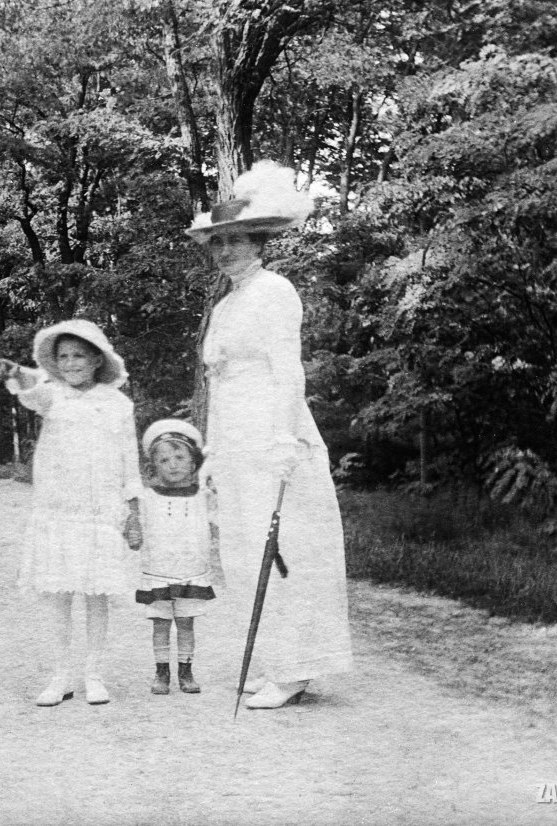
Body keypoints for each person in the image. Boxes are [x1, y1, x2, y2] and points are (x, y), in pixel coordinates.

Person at [186, 160, 353, 710]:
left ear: (258, 241)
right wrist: (211, 450)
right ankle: (272, 661)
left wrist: (285, 440)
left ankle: (296, 668)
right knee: (241, 549)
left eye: (235, 240)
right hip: (234, 436)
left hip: (272, 431)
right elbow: (218, 383)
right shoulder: (226, 304)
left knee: (286, 550)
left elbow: (288, 370)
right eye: (217, 243)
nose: (226, 251)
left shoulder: (275, 291)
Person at [0, 319, 142, 707]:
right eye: (62, 357)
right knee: (58, 593)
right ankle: (60, 674)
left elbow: (129, 458)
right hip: (58, 509)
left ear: (97, 360)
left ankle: (94, 673)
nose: (71, 363)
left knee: (96, 595)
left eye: (79, 355)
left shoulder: (118, 404)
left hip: (100, 510)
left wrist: (133, 510)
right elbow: (29, 389)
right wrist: (17, 374)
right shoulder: (52, 395)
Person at [132, 419, 220, 696]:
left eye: (180, 457)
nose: (173, 464)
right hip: (158, 571)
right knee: (160, 624)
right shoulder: (147, 498)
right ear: (154, 466)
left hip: (191, 571)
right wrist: (132, 532)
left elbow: (216, 524)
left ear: (193, 462)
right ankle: (161, 672)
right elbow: (133, 525)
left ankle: (186, 670)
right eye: (164, 460)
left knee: (186, 623)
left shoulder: (204, 496)